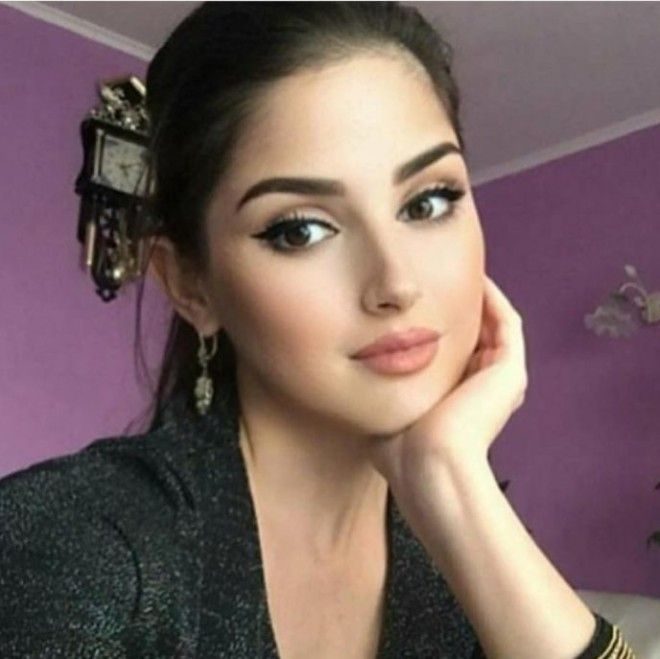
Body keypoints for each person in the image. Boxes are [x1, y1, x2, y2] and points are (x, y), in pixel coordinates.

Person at [0, 3, 636, 657]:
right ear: (190, 285)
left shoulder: (454, 537)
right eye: (300, 230)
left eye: (428, 202)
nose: (396, 283)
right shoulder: (69, 549)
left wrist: (451, 482)